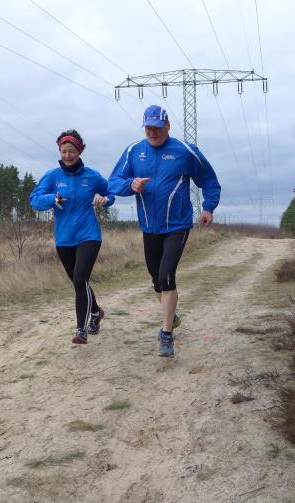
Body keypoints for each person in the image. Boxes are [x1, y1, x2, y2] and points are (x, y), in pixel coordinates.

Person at [109, 104, 221, 357]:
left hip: (178, 224)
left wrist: (208, 207)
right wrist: (130, 184)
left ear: (167, 125)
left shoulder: (185, 151)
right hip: (149, 226)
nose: (152, 132)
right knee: (156, 279)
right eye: (148, 128)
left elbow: (208, 179)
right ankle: (171, 315)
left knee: (166, 276)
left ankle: (166, 334)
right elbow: (113, 182)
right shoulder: (134, 151)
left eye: (157, 128)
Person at [30, 129, 114, 344]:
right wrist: (52, 198)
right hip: (64, 238)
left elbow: (111, 193)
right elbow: (34, 199)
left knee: (79, 279)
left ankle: (81, 330)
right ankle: (95, 312)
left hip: (89, 235)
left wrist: (104, 200)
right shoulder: (52, 176)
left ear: (80, 151)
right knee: (79, 283)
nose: (67, 155)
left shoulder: (92, 176)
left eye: (72, 151)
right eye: (63, 151)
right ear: (59, 151)